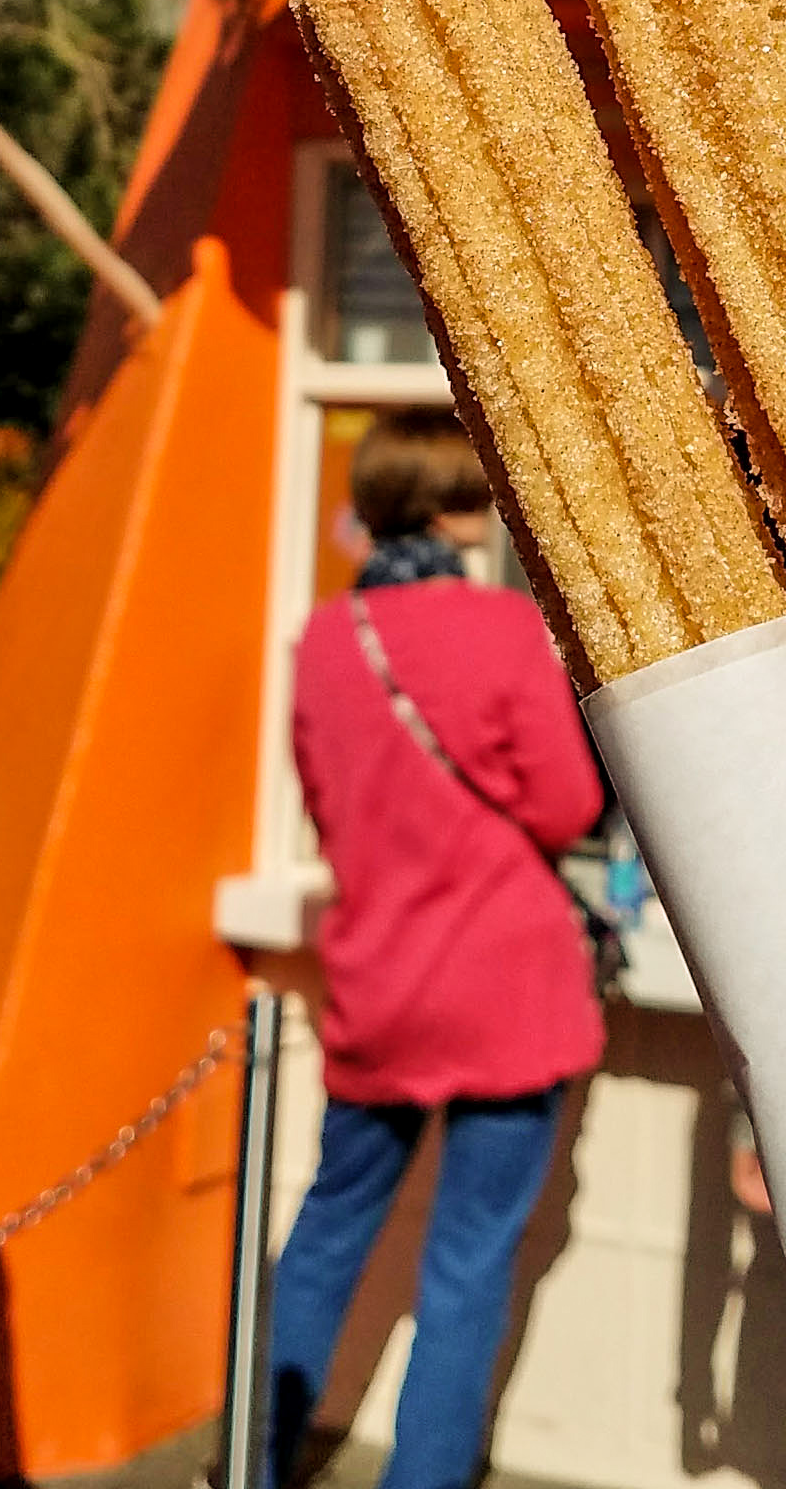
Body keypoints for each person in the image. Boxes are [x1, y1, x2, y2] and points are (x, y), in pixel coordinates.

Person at [267, 412, 605, 1489]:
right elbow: (566, 805)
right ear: (463, 506)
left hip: (376, 980)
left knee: (327, 1230)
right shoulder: (503, 631)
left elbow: (326, 807)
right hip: (505, 987)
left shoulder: (326, 638)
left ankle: (253, 1462)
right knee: (465, 1265)